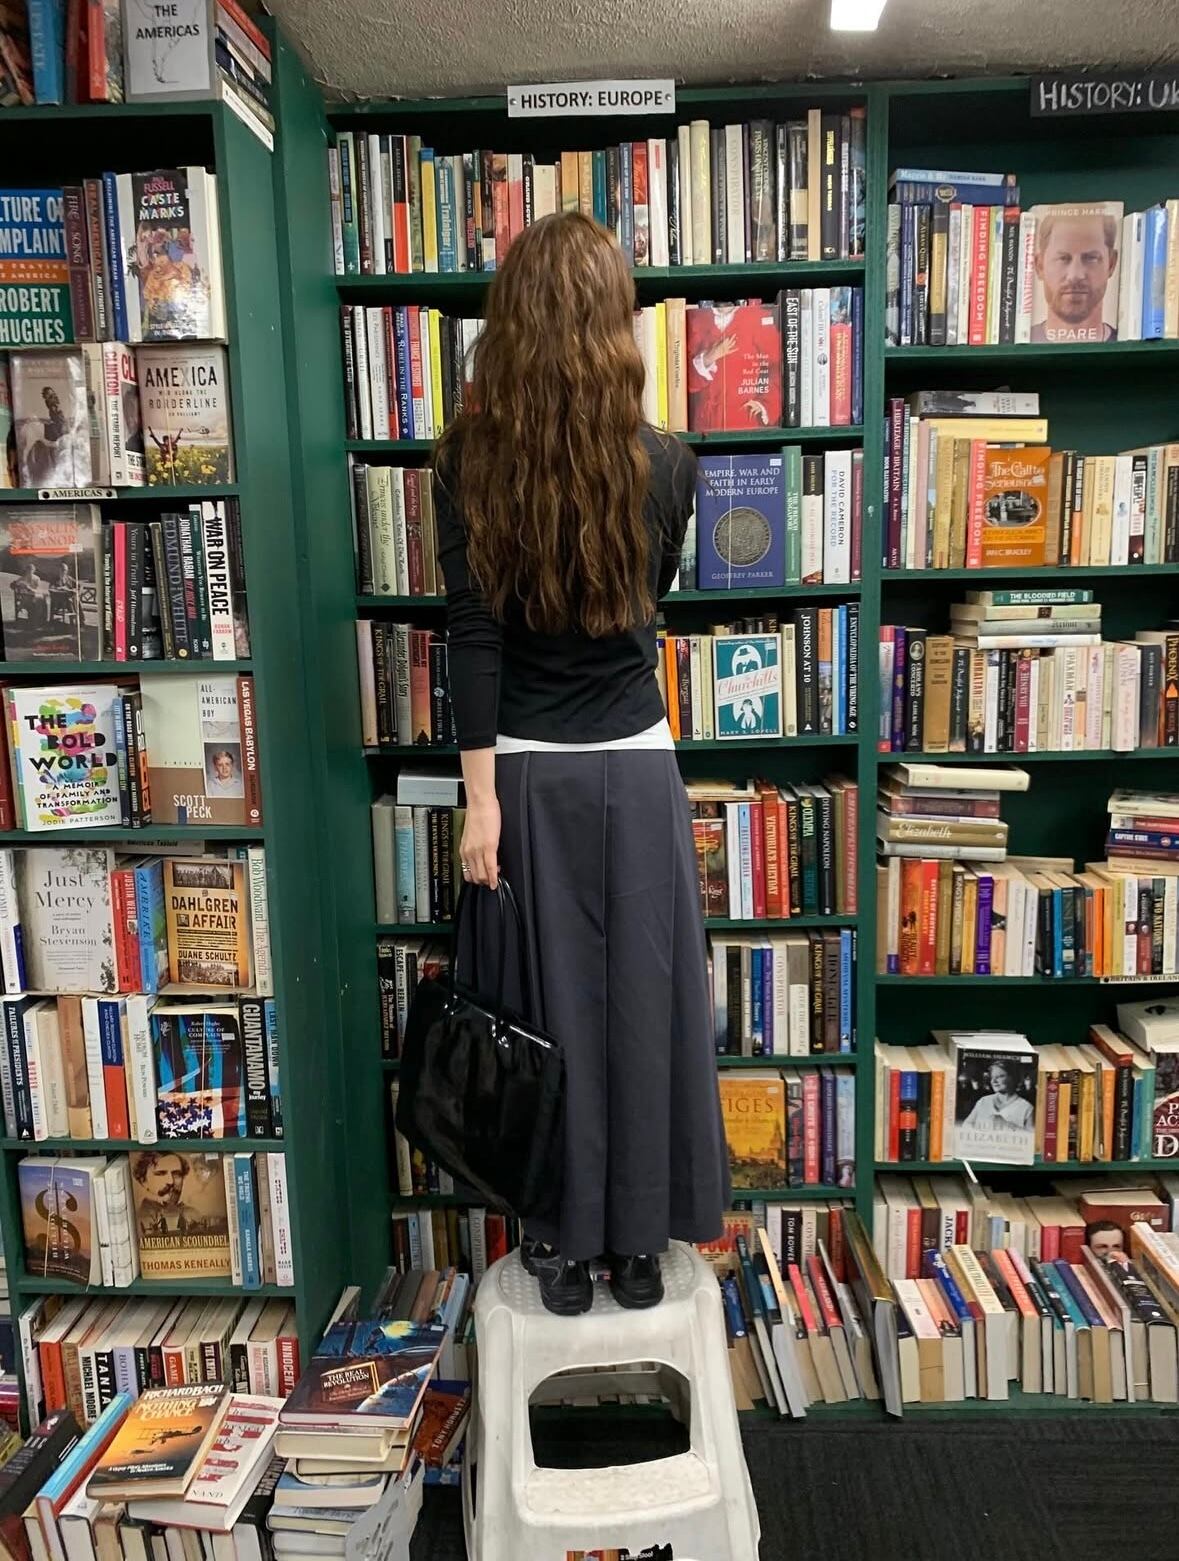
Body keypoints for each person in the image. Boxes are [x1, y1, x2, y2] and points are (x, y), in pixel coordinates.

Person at [434, 211, 730, 1317]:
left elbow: (474, 637)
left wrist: (479, 804)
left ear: (510, 324)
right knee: (643, 1007)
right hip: (637, 769)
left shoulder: (465, 462)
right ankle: (639, 1245)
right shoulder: (669, 462)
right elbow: (648, 605)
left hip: (524, 774)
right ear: (615, 323)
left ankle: (557, 1241)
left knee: (542, 1015)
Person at [1031, 210, 1119, 343]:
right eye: (1062, 258)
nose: (1075, 275)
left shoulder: (1126, 341)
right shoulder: (1020, 342)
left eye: (1091, 258)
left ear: (1111, 264)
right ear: (1040, 265)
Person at [962, 1060, 1034, 1134]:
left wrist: (1007, 1125)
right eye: (992, 1077)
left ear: (1013, 1078)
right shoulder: (983, 1101)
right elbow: (966, 1125)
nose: (994, 1081)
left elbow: (1031, 1136)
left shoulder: (1026, 1107)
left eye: (1000, 1076)